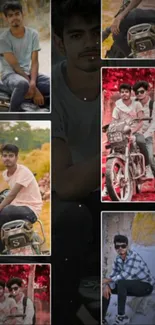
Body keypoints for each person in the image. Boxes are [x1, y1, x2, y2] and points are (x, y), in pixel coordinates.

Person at [52, 0, 101, 323]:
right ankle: (63, 311)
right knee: (70, 216)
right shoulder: (51, 89)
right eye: (77, 35)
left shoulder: (125, 76)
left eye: (96, 33)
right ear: (60, 42)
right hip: (71, 197)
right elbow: (65, 184)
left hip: (111, 186)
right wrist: (115, 151)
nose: (90, 44)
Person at [0, 1, 50, 111]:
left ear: (22, 15)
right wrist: (34, 88)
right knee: (22, 84)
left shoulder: (33, 34)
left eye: (17, 14)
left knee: (52, 83)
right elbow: (15, 67)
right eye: (10, 15)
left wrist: (33, 82)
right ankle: (12, 113)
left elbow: (35, 62)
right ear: (6, 18)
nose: (14, 18)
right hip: (10, 75)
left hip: (28, 74)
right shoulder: (3, 39)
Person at [102, 234, 155, 325]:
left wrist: (108, 281)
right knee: (106, 289)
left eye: (123, 246)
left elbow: (126, 275)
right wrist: (107, 285)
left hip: (146, 286)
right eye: (117, 246)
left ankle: (122, 318)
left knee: (122, 282)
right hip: (132, 286)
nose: (120, 248)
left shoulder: (134, 256)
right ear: (115, 247)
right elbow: (113, 275)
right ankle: (102, 318)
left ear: (127, 246)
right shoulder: (117, 259)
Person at [0, 144, 43, 252]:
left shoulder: (23, 171)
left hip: (31, 209)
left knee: (6, 210)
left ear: (16, 157)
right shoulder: (6, 174)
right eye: (4, 156)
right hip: (19, 207)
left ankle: (2, 249)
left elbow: (12, 195)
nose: (7, 158)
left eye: (11, 156)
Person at [112, 83, 154, 178]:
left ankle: (147, 168)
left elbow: (141, 122)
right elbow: (114, 122)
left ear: (130, 93)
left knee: (141, 141)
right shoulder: (117, 107)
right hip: (122, 133)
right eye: (122, 92)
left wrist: (133, 131)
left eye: (126, 92)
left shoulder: (137, 104)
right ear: (120, 93)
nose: (124, 94)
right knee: (113, 147)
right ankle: (111, 177)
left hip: (136, 131)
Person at [133, 80, 155, 176]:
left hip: (146, 136)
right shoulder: (133, 103)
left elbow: (154, 123)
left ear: (146, 91)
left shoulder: (152, 105)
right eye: (137, 92)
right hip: (134, 134)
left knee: (150, 159)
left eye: (141, 91)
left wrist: (145, 135)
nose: (139, 94)